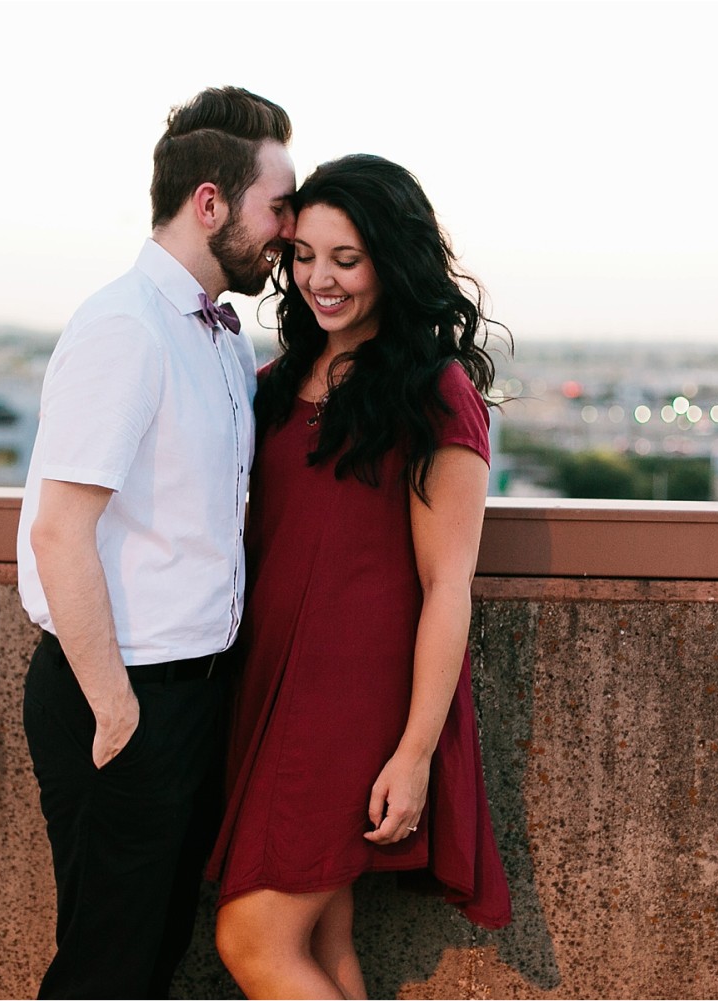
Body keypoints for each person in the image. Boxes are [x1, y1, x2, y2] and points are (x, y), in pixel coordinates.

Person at [207, 154, 513, 998]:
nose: (320, 279)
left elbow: (449, 587)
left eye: (347, 258)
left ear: (393, 258)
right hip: (271, 683)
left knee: (252, 938)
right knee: (328, 940)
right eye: (305, 255)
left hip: (351, 705)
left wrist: (414, 754)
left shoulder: (436, 394)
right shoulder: (273, 384)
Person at [16, 86, 295, 999]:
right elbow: (60, 531)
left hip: (190, 697)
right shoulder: (125, 327)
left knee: (151, 952)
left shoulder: (216, 337)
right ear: (209, 203)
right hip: (122, 696)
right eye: (277, 205)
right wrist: (116, 709)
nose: (286, 231)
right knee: (107, 967)